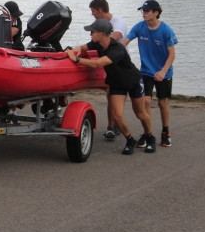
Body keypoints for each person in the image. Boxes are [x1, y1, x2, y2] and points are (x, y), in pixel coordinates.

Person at [66, 19, 156, 155]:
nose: (90, 34)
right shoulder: (96, 44)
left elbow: (98, 64)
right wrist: (75, 50)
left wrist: (76, 59)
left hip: (133, 82)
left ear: (101, 34)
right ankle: (130, 140)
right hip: (116, 83)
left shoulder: (117, 49)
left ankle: (150, 137)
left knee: (140, 113)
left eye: (93, 32)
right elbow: (82, 47)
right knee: (117, 116)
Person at [122, 0, 178, 148]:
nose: (144, 14)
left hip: (164, 71)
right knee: (145, 101)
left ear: (156, 13)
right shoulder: (140, 27)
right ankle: (148, 134)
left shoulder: (166, 30)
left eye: (147, 11)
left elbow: (172, 54)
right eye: (143, 11)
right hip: (146, 71)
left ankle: (165, 133)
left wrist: (163, 71)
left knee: (161, 102)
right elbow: (124, 42)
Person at [89, 0, 128, 140]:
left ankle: (115, 125)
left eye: (93, 11)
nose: (92, 14)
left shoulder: (118, 22)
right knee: (109, 93)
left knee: (114, 94)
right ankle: (112, 126)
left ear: (100, 10)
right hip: (107, 62)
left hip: (120, 63)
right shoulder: (98, 24)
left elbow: (115, 37)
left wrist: (99, 38)